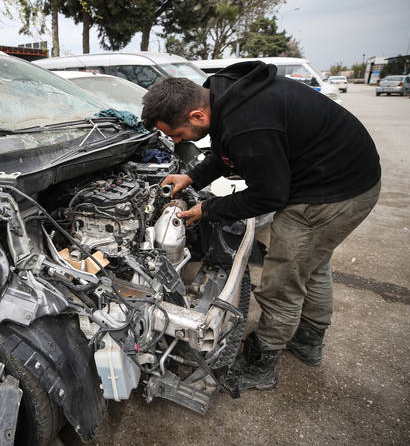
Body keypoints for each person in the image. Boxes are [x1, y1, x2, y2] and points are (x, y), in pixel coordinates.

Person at [141, 62, 381, 393]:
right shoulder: (222, 95)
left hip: (333, 193)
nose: (175, 140)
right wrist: (192, 176)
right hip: (340, 174)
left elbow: (269, 195)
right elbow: (227, 153)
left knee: (283, 278)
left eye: (176, 135)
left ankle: (262, 362)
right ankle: (309, 340)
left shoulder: (247, 121)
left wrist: (208, 208)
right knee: (312, 263)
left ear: (196, 116)